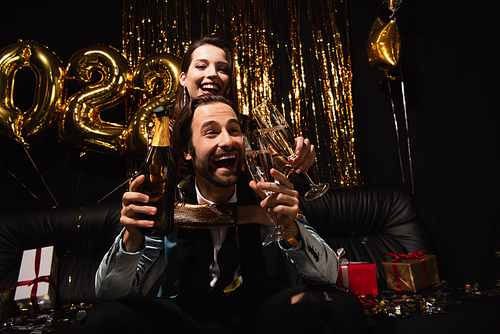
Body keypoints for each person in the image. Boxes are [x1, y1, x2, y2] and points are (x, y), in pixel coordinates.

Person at [71, 95, 366, 334]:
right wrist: (131, 238)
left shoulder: (267, 194)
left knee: (340, 305)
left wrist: (293, 229)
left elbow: (329, 275)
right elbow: (108, 293)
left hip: (259, 315)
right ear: (188, 150)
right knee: (99, 320)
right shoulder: (167, 203)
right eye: (211, 132)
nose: (227, 141)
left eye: (234, 130)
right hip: (186, 316)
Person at [174, 34, 315, 176]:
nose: (212, 73)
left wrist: (301, 160)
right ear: (183, 78)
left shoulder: (250, 128)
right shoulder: (164, 133)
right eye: (201, 66)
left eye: (222, 69)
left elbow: (285, 177)